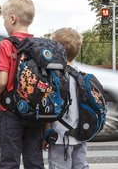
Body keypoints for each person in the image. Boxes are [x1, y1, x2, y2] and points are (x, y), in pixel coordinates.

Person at [0, 0, 45, 169]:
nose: (4, 23)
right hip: (35, 111)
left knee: (9, 160)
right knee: (34, 160)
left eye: (5, 19)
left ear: (13, 19)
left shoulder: (6, 44)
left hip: (10, 111)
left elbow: (2, 80)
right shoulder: (38, 46)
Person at [43, 28, 88, 169]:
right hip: (81, 135)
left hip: (60, 137)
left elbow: (49, 109)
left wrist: (46, 132)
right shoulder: (82, 76)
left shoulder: (54, 77)